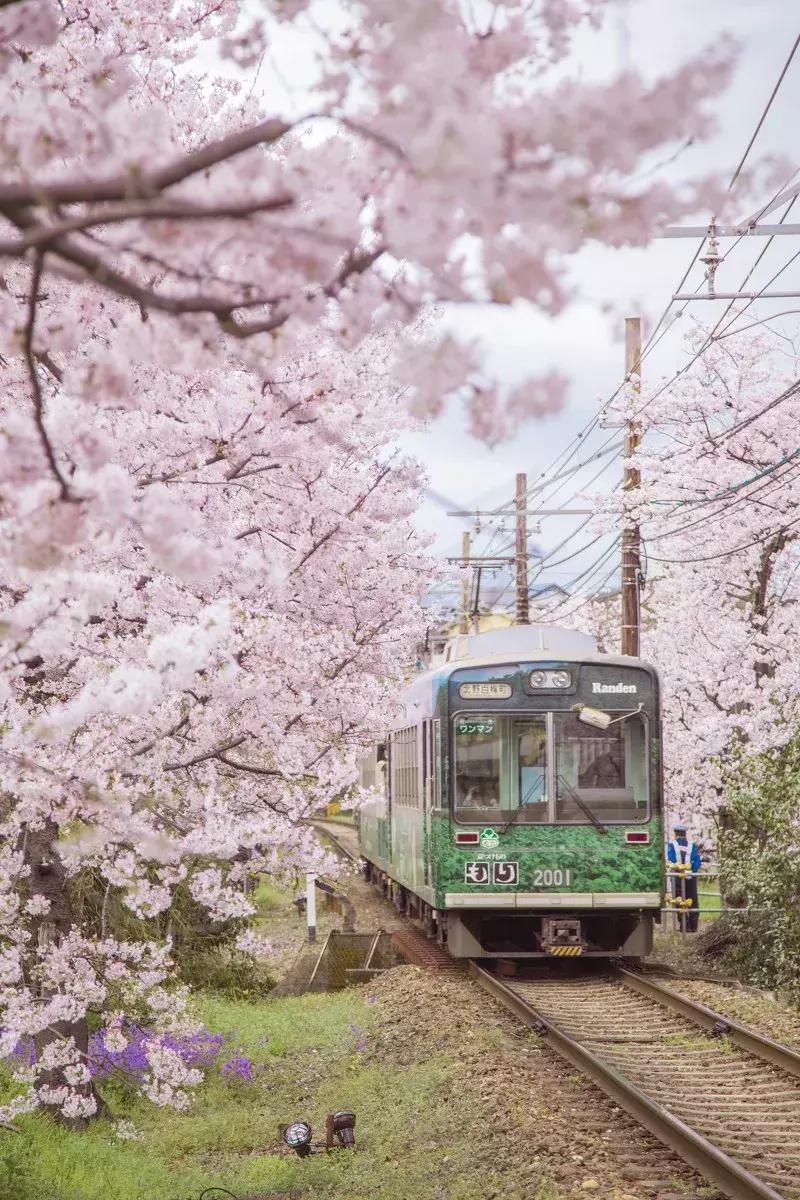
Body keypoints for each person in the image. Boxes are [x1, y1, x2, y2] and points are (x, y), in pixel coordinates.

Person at [667, 821, 702, 932]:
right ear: (685, 834)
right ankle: (693, 926)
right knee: (692, 900)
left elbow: (671, 860)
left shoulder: (672, 845)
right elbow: (697, 863)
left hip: (677, 876)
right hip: (690, 877)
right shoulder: (693, 846)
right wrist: (691, 870)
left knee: (679, 900)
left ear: (676, 833)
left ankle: (684, 926)